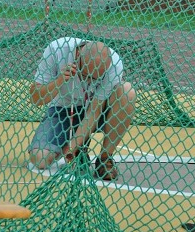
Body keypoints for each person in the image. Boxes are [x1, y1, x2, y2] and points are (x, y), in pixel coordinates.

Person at [28, 38, 136, 180]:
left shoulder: (114, 63)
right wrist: (59, 81)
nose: (90, 81)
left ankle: (104, 158)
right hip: (63, 110)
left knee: (127, 91)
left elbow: (94, 111)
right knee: (39, 158)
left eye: (95, 78)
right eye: (86, 76)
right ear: (77, 57)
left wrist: (72, 148)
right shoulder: (56, 49)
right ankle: (75, 147)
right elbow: (36, 99)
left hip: (99, 111)